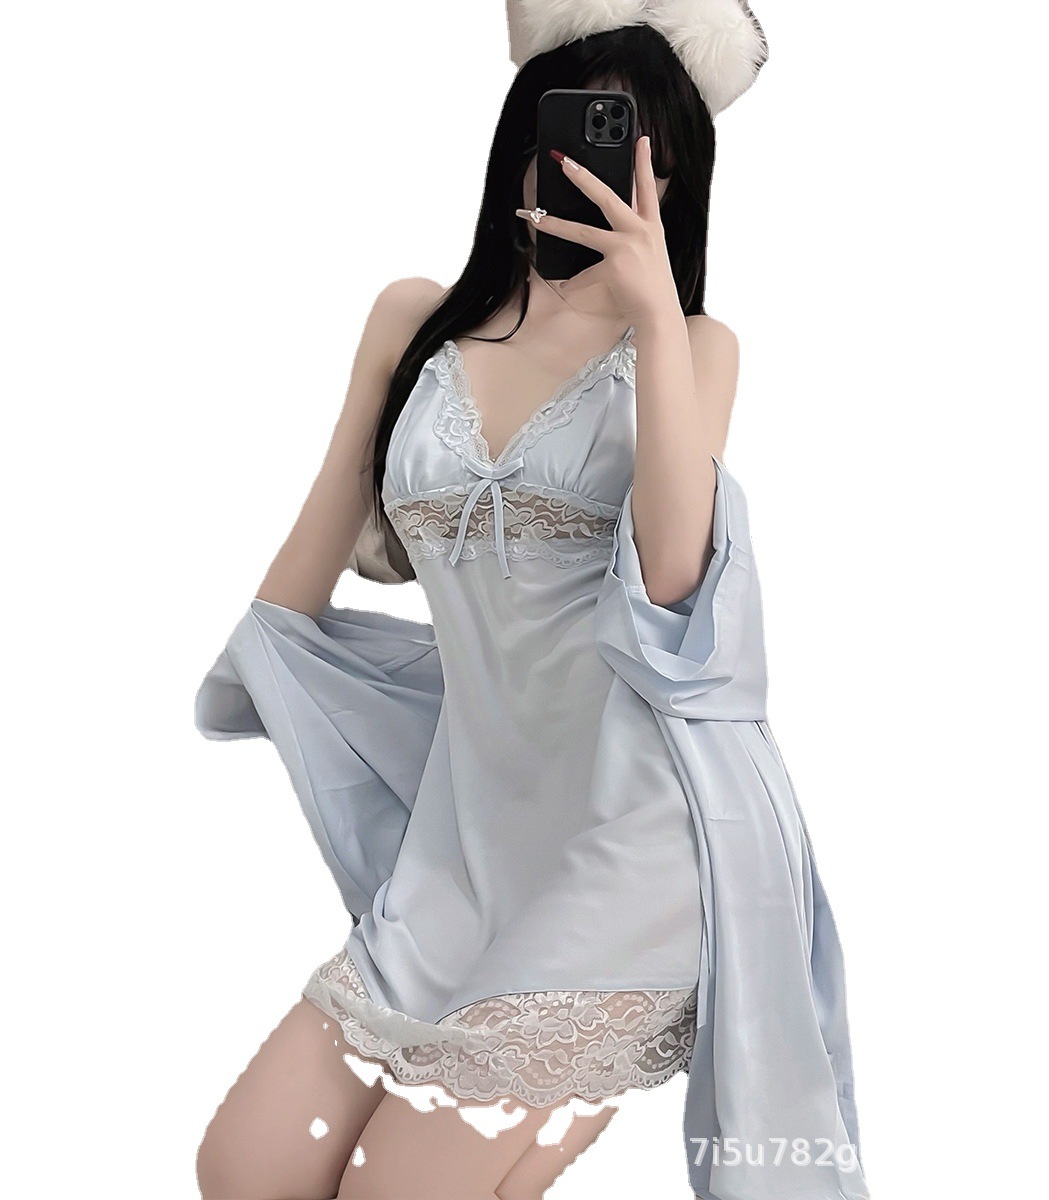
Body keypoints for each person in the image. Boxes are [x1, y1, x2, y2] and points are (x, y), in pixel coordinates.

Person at [194, 4, 869, 1199]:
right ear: (523, 139)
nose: (598, 170)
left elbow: (675, 588)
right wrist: (277, 678)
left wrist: (653, 316)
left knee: (399, 1194)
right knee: (245, 1171)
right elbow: (299, 585)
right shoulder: (414, 322)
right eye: (577, 131)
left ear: (675, 178)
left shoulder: (695, 349)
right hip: (465, 849)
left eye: (640, 150)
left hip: (630, 846)